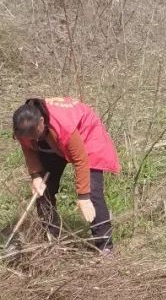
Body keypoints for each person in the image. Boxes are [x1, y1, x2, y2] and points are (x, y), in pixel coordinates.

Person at [12, 97, 121, 254]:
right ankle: (51, 238)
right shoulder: (24, 128)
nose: (30, 138)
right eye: (26, 136)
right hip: (52, 140)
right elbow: (29, 149)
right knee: (43, 190)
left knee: (92, 194)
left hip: (86, 137)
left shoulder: (63, 125)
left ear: (41, 121)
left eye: (33, 134)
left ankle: (105, 246)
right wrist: (35, 175)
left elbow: (81, 160)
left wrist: (83, 196)